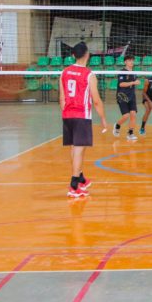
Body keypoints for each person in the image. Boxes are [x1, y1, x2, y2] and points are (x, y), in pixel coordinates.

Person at [59, 42, 108, 198]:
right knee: (79, 150)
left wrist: (66, 114)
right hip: (81, 115)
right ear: (87, 55)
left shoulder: (64, 72)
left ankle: (80, 178)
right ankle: (74, 185)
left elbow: (62, 98)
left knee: (75, 149)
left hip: (67, 114)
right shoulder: (89, 74)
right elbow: (97, 100)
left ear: (73, 55)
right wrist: (103, 118)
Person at [112, 56, 140, 141]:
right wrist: (133, 82)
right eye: (129, 60)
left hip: (132, 96)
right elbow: (121, 84)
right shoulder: (122, 72)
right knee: (126, 115)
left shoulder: (134, 72)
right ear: (125, 62)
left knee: (133, 114)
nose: (131, 62)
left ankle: (130, 133)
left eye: (132, 60)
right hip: (122, 96)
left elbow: (136, 81)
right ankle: (117, 125)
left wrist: (137, 82)